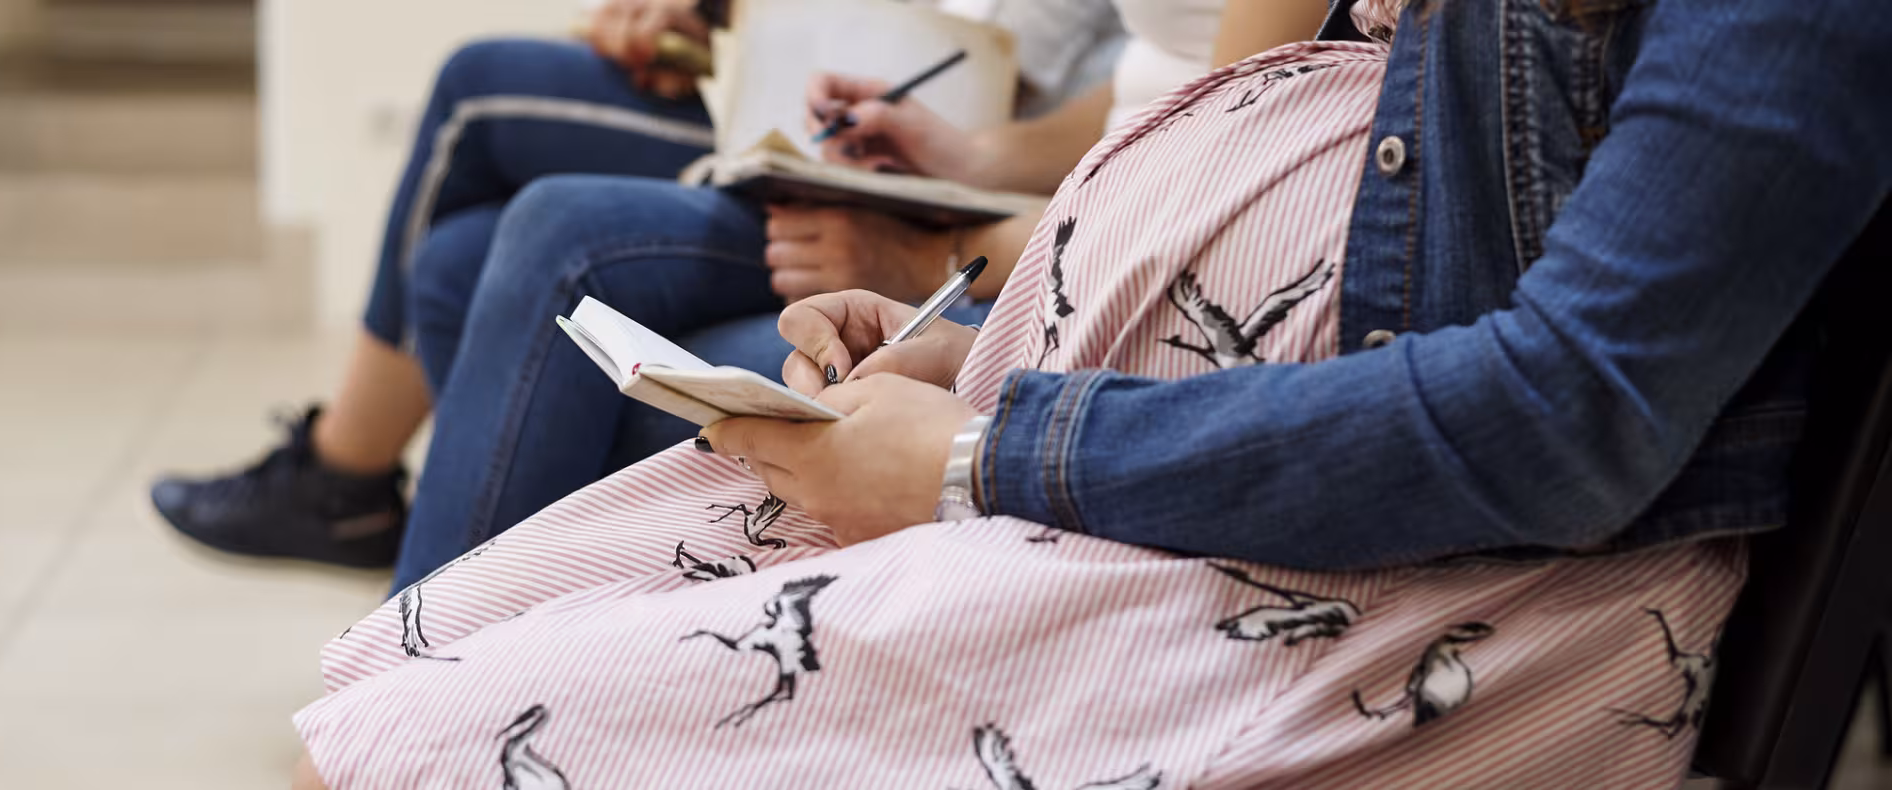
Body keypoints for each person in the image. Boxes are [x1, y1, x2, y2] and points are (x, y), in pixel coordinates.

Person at [289, 0, 1892, 783]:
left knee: (419, 748)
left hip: (1407, 589)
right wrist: (981, 332)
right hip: (1134, 466)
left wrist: (982, 450)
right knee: (367, 687)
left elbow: (1558, 418)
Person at [148, 0, 1126, 569]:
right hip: (912, 139)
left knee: (534, 201)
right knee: (457, 258)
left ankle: (392, 629)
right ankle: (452, 672)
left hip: (987, 213)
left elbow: (1097, 111)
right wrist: (709, 24)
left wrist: (938, 234)